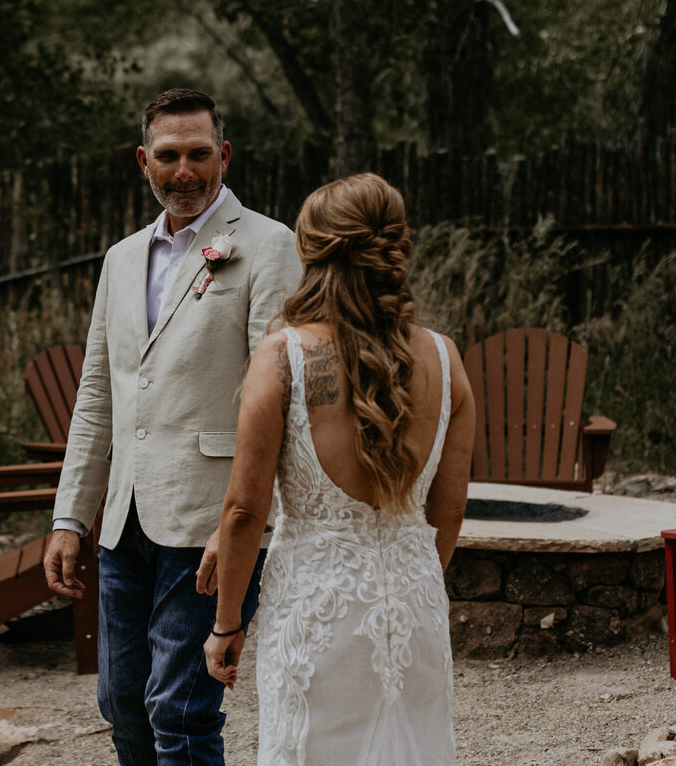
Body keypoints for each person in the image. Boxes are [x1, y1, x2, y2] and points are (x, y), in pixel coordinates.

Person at [43, 87, 303, 766]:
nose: (183, 170)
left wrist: (245, 522)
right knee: (122, 705)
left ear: (224, 155)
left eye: (197, 153)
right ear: (143, 160)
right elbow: (97, 393)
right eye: (168, 155)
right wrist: (71, 516)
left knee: (180, 711)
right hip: (124, 521)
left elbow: (279, 398)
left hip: (209, 523)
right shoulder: (120, 259)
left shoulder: (269, 246)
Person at [203, 173, 475, 766]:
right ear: (395, 246)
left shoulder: (283, 355)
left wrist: (226, 626)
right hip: (416, 609)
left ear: (311, 252)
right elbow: (447, 515)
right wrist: (407, 578)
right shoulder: (445, 357)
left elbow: (245, 511)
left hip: (315, 612)